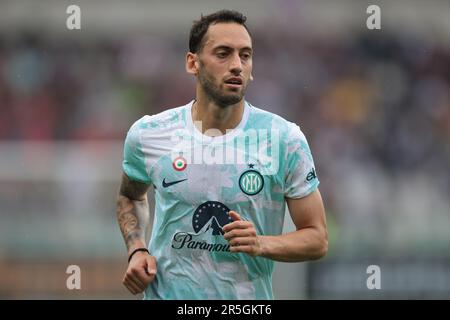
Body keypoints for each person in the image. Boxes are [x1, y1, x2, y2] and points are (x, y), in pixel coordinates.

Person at [116, 9, 327, 300]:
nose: (237, 65)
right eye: (223, 53)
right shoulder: (150, 134)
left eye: (245, 55)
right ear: (193, 63)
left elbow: (317, 238)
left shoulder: (283, 140)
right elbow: (130, 195)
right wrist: (137, 249)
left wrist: (261, 244)